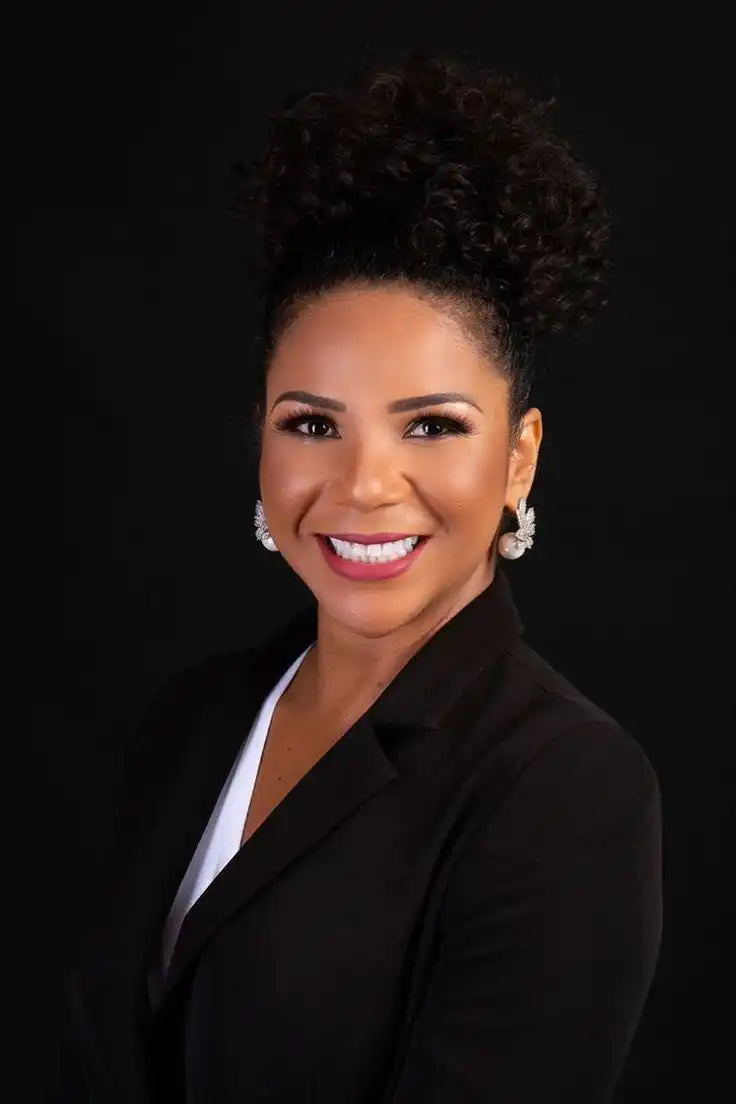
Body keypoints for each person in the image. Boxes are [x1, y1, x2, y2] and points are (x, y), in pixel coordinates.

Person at [49, 48, 662, 1103]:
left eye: (430, 426)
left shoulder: (564, 787)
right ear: (261, 439)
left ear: (518, 457)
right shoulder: (191, 720)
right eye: (312, 425)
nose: (365, 484)